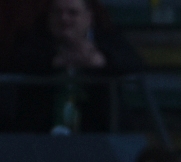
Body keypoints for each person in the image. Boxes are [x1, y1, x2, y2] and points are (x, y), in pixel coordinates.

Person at [9, 0, 142, 134]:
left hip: (99, 130)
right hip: (41, 131)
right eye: (57, 12)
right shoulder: (34, 37)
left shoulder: (108, 37)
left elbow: (134, 63)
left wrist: (101, 60)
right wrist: (54, 61)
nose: (64, 18)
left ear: (88, 17)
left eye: (72, 13)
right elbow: (17, 62)